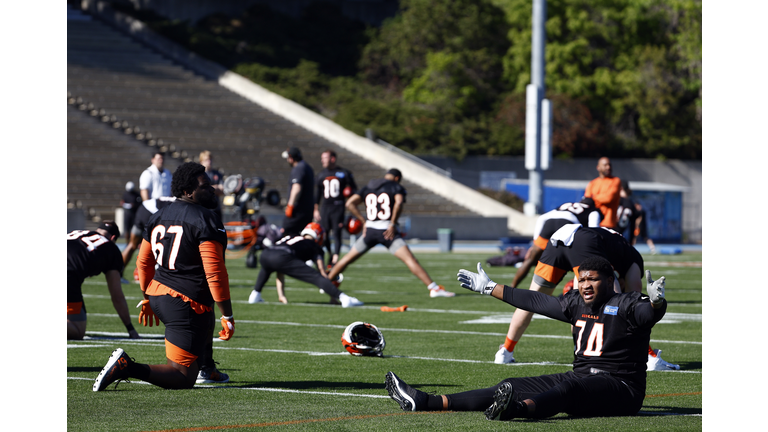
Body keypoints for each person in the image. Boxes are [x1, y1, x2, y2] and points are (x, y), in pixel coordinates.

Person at [385, 257, 668, 421]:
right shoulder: (576, 303)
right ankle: (427, 402)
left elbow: (646, 315)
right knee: (510, 385)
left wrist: (656, 304)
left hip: (622, 389)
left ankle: (516, 410)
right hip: (582, 377)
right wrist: (491, 288)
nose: (584, 285)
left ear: (609, 281)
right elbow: (536, 301)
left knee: (569, 390)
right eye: (581, 280)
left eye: (591, 279)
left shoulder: (628, 302)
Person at [93, 162, 234, 391]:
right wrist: (227, 314)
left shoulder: (159, 215)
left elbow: (143, 262)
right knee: (181, 377)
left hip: (162, 294)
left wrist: (147, 296)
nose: (211, 189)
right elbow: (214, 272)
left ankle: (207, 367)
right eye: (204, 185)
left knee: (205, 309)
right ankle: (127, 366)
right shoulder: (205, 218)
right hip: (182, 301)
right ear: (188, 191)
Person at [492, 223, 679, 371]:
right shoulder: (633, 258)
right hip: (584, 242)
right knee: (609, 304)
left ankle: (505, 351)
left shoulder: (614, 246)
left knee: (532, 300)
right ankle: (649, 357)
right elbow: (631, 307)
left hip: (558, 240)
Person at [494, 197, 602, 363]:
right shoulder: (593, 211)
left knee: (531, 298)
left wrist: (537, 241)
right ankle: (580, 353)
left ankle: (505, 351)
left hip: (553, 240)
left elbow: (543, 217)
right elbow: (594, 233)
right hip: (575, 241)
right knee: (580, 302)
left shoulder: (566, 204)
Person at [326, 168, 455, 298]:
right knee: (410, 259)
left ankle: (325, 282)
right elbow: (398, 202)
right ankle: (433, 288)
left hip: (370, 231)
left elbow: (350, 203)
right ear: (397, 178)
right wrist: (393, 223)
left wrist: (363, 221)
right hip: (387, 231)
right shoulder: (395, 187)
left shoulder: (369, 186)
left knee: (347, 259)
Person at [247, 222, 363, 307]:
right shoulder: (315, 246)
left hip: (266, 254)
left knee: (267, 269)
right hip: (282, 257)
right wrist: (334, 295)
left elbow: (279, 269)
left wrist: (281, 295)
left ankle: (255, 295)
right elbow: (321, 274)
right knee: (315, 276)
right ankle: (345, 298)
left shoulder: (292, 236)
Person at [67, 220, 140, 340]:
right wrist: (130, 328)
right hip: (68, 273)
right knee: (78, 330)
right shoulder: (110, 247)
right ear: (112, 238)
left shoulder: (76, 233)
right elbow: (117, 296)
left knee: (77, 312)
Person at [313, 149, 357, 267]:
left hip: (338, 206)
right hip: (325, 207)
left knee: (337, 232)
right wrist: (315, 209)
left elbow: (355, 190)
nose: (322, 160)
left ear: (332, 158)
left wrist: (349, 194)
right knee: (324, 233)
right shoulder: (321, 174)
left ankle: (335, 259)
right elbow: (318, 194)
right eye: (322, 158)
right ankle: (331, 253)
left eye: (325, 158)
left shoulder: (343, 173)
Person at [120, 196, 177, 276]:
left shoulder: (174, 200)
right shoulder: (183, 204)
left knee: (132, 244)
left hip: (143, 208)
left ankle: (118, 273)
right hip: (151, 212)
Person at [281, 147, 315, 236]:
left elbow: (296, 188)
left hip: (298, 212)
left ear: (291, 158)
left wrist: (290, 206)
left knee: (287, 234)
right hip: (307, 211)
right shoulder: (307, 167)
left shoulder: (299, 168)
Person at [584, 157, 621, 229]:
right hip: (594, 224)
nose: (608, 167)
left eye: (609, 165)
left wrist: (593, 197)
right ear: (598, 167)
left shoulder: (616, 181)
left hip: (609, 225)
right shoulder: (592, 183)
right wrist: (600, 198)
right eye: (605, 165)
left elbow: (609, 198)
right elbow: (587, 201)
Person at [199, 150, 225, 220]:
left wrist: (208, 188)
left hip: (216, 208)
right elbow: (201, 190)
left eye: (210, 159)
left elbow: (223, 189)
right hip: (203, 208)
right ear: (201, 161)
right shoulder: (199, 175)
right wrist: (216, 188)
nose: (209, 162)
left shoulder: (217, 173)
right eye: (206, 160)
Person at [616, 180, 640, 245]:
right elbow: (632, 227)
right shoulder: (631, 205)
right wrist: (631, 242)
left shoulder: (616, 200)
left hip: (609, 233)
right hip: (619, 235)